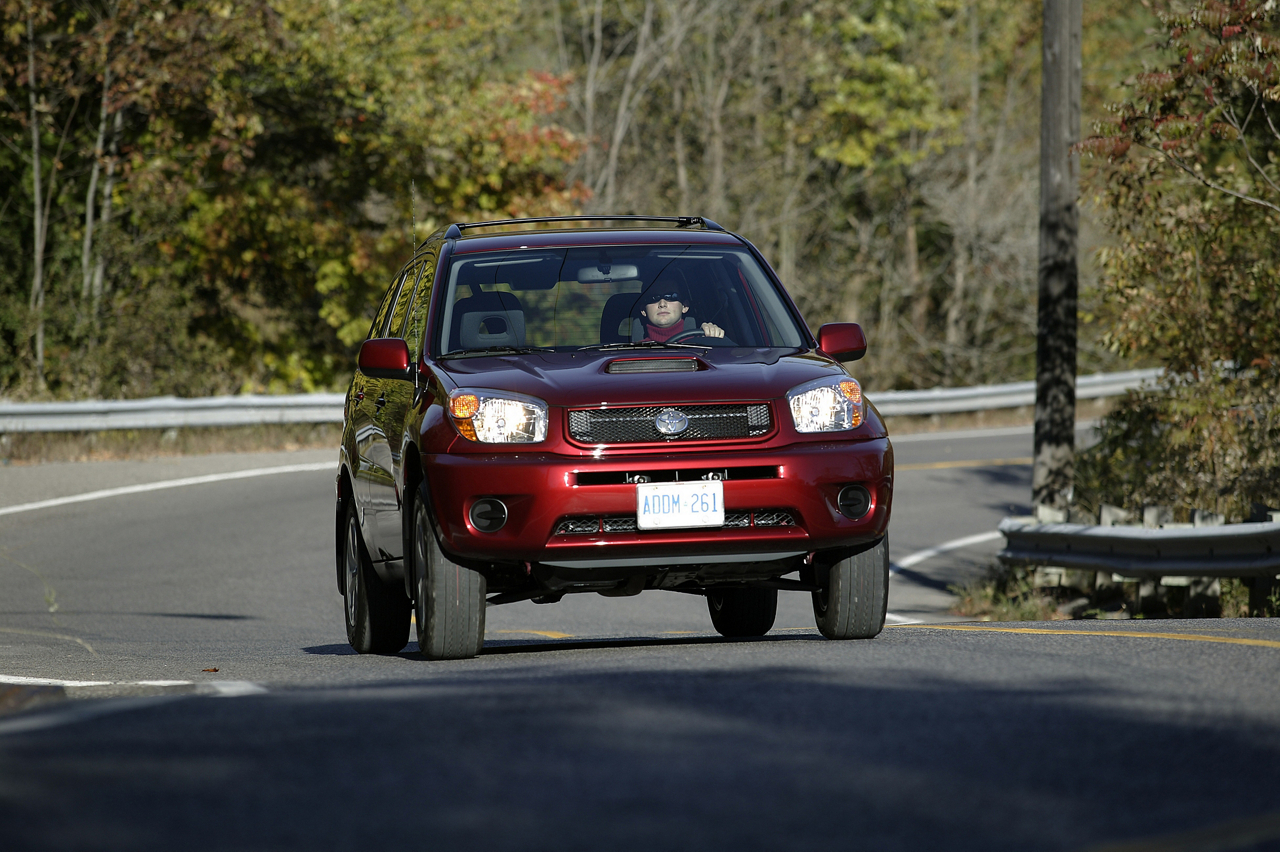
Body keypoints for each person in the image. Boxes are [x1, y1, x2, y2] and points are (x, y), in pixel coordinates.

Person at [638, 272, 723, 342]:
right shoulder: (632, 354)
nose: (662, 304)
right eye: (654, 298)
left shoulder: (702, 346)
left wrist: (713, 337)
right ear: (643, 310)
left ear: (685, 306)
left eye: (671, 296)